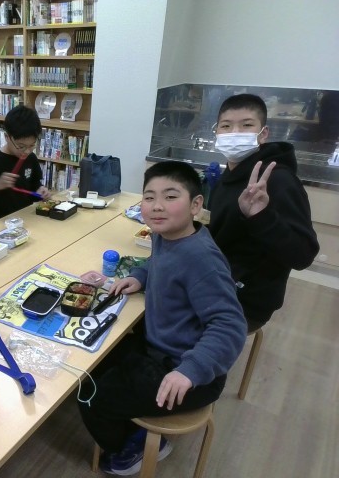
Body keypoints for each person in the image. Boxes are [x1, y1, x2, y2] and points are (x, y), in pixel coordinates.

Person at [80, 161, 247, 476]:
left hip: (187, 370)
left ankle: (131, 449)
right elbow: (158, 261)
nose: (157, 206)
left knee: (89, 396)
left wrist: (190, 370)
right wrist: (140, 276)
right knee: (90, 362)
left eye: (170, 196)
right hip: (159, 348)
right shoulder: (167, 235)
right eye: (149, 197)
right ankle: (131, 426)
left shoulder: (201, 258)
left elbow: (230, 325)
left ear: (196, 205)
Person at [209, 93, 319, 332]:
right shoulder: (231, 173)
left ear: (263, 133)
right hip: (213, 282)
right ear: (216, 132)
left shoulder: (278, 180)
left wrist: (261, 217)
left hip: (243, 303)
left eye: (246, 125)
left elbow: (303, 255)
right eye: (226, 126)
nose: (234, 133)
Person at [0, 105, 51, 221]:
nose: (27, 151)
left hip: (27, 219)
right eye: (21, 146)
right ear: (7, 137)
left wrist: (40, 191)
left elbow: (34, 184)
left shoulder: (31, 158)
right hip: (1, 224)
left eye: (31, 145)